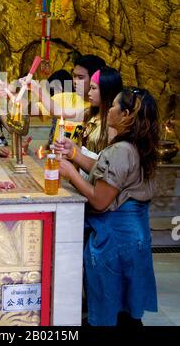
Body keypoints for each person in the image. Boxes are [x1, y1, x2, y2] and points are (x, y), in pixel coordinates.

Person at [55, 87, 159, 326]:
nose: (109, 109)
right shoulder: (137, 145)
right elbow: (109, 175)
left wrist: (71, 173)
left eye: (114, 105)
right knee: (126, 306)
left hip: (115, 241)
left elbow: (100, 200)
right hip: (134, 238)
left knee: (110, 306)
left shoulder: (121, 150)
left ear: (125, 114)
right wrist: (76, 154)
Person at [81, 66, 123, 154]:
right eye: (90, 88)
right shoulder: (89, 114)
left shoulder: (113, 122)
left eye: (93, 88)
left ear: (106, 90)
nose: (89, 93)